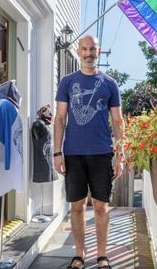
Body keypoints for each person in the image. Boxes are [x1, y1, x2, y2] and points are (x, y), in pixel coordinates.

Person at [54, 35, 124, 269]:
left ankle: (102, 255)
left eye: (92, 49)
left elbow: (117, 120)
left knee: (102, 206)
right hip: (73, 153)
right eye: (84, 49)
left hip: (102, 152)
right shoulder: (67, 82)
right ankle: (80, 255)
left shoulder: (110, 83)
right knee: (77, 206)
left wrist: (120, 154)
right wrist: (57, 152)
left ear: (99, 51)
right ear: (78, 51)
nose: (88, 53)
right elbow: (60, 118)